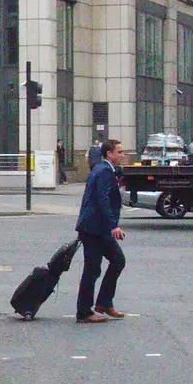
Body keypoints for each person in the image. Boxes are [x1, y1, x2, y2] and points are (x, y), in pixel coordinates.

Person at [74, 138, 128, 324]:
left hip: (99, 229)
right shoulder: (104, 171)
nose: (122, 155)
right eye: (119, 152)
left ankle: (104, 303)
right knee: (92, 269)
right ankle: (84, 312)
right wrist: (113, 225)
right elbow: (102, 199)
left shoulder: (105, 170)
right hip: (93, 229)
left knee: (118, 260)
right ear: (109, 154)